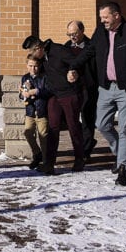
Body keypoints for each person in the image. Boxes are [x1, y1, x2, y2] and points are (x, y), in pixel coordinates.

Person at [67, 2, 126, 187]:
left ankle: (123, 167)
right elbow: (89, 51)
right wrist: (74, 65)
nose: (102, 21)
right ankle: (121, 153)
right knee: (102, 124)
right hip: (106, 88)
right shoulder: (101, 32)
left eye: (105, 17)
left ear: (117, 15)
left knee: (125, 128)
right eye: (101, 18)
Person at [30, 39, 86, 174]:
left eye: (32, 51)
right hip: (54, 95)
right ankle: (49, 164)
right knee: (53, 127)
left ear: (39, 48)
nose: (31, 54)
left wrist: (73, 70)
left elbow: (77, 61)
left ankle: (79, 159)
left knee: (73, 126)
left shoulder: (59, 50)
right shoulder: (43, 58)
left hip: (69, 93)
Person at [65, 20, 98, 160]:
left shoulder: (92, 47)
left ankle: (86, 149)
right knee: (70, 118)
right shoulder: (66, 47)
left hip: (88, 88)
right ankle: (87, 142)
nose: (72, 37)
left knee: (87, 118)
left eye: (75, 34)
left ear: (82, 31)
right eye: (69, 34)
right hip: (72, 90)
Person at [19, 52, 52, 170]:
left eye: (36, 66)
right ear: (27, 65)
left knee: (43, 136)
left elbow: (49, 91)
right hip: (30, 111)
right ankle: (37, 154)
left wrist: (36, 92)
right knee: (28, 133)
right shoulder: (25, 77)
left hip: (42, 111)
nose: (33, 68)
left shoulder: (44, 77)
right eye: (31, 66)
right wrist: (24, 94)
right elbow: (21, 95)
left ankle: (45, 161)